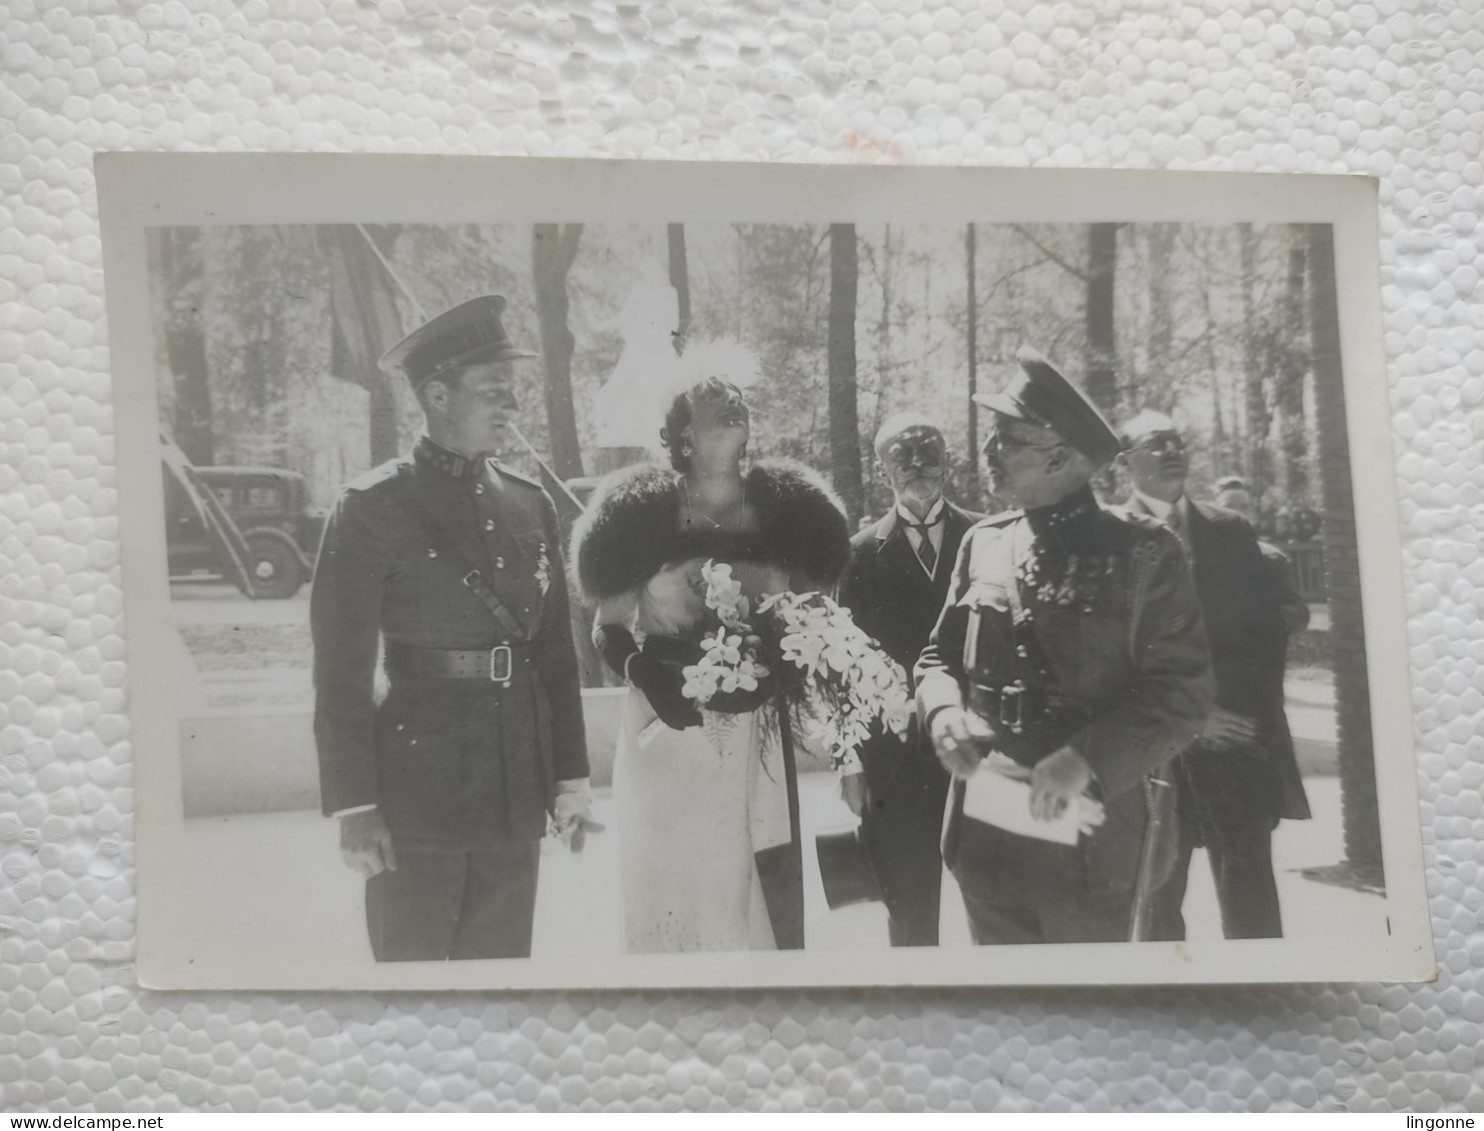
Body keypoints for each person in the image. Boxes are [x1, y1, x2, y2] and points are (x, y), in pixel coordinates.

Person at [311, 295, 593, 962]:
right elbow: (340, 673)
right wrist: (354, 806)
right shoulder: (371, 510)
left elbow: (555, 655)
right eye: (495, 390)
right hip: (415, 797)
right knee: (413, 993)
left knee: (500, 986)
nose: (512, 408)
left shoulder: (530, 504)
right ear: (438, 393)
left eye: (513, 390)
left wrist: (570, 779)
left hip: (513, 789)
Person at [915, 350, 1213, 945]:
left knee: (1087, 1023)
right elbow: (937, 658)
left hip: (1092, 850)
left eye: (1005, 438)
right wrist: (944, 712)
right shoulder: (985, 543)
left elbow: (1183, 696)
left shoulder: (1144, 554)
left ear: (1056, 456)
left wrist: (1086, 760)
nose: (989, 452)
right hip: (988, 842)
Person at [570, 342, 850, 953]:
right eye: (712, 399)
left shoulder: (787, 504)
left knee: (758, 884)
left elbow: (816, 612)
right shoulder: (639, 510)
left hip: (760, 733)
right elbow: (607, 627)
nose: (733, 402)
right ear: (684, 437)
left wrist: (786, 668)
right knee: (677, 887)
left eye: (738, 398)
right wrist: (647, 673)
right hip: (667, 729)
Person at [1118, 411, 1312, 940]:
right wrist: (1191, 717)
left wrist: (1250, 720)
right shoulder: (1106, 535)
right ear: (1124, 461)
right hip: (1154, 754)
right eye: (1155, 443)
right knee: (1157, 902)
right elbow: (1109, 655)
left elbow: (1260, 635)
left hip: (1235, 749)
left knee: (1251, 904)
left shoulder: (1229, 530)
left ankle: (1262, 1003)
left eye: (1177, 441)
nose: (1171, 450)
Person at [837, 412, 982, 946]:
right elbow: (843, 669)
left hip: (977, 751)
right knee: (911, 912)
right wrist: (849, 761)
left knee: (997, 907)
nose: (918, 464)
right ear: (883, 472)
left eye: (929, 451)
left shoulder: (986, 537)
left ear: (949, 462)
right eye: (903, 455)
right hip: (895, 762)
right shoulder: (856, 555)